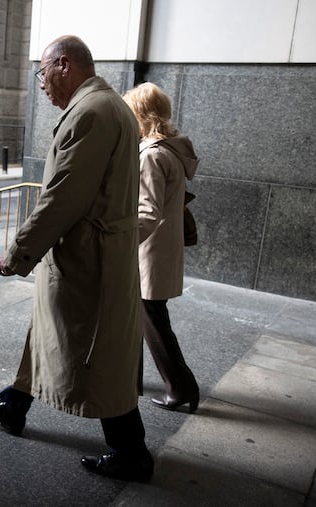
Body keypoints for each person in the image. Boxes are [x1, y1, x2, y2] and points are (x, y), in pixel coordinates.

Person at [0, 35, 153, 482]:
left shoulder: (92, 112)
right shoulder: (109, 106)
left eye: (42, 73)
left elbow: (62, 198)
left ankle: (132, 452)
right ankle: (14, 406)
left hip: (89, 262)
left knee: (98, 356)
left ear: (63, 65)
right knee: (49, 336)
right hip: (90, 256)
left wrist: (20, 251)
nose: (42, 84)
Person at [122, 82, 200, 413]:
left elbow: (147, 212)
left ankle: (180, 386)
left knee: (152, 318)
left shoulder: (151, 155)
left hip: (148, 251)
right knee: (147, 317)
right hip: (160, 248)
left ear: (139, 115)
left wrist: (121, 244)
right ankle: (139, 379)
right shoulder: (169, 150)